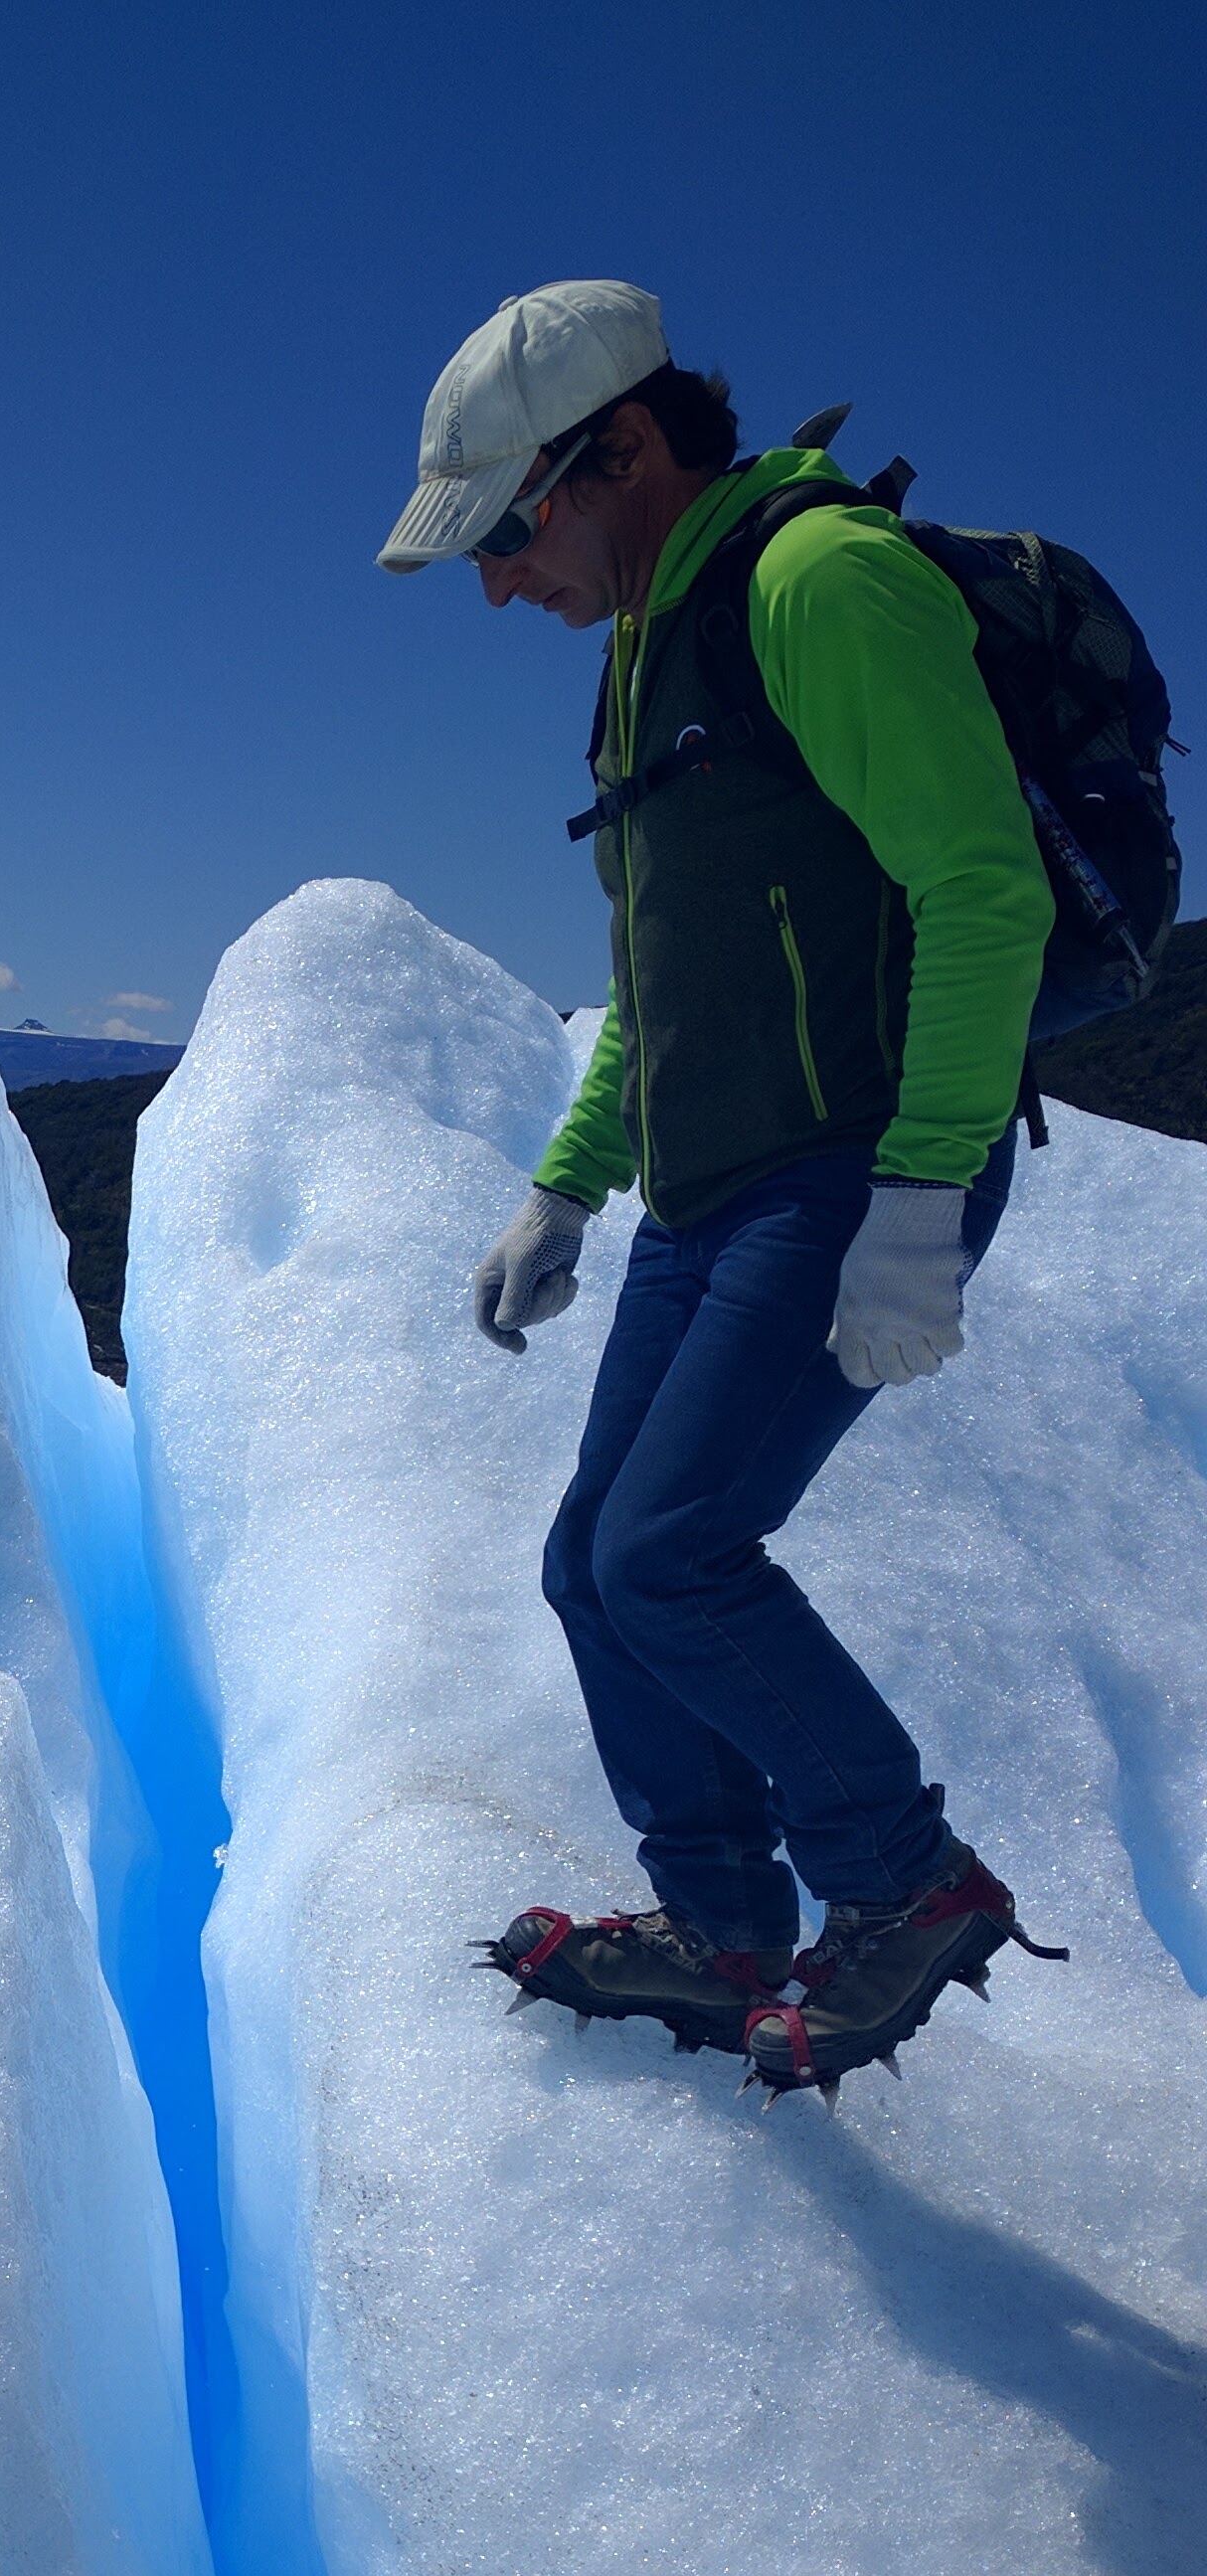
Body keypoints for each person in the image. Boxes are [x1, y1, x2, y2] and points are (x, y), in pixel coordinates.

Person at [380, 281, 1064, 2092]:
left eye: (510, 531)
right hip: (712, 1188)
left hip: (849, 1172)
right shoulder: (651, 644)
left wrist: (921, 1202)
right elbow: (663, 976)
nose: (500, 584)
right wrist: (572, 1188)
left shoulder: (812, 583)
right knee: (594, 1567)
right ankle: (724, 1930)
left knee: (672, 1556)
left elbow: (985, 893)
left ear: (621, 451)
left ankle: (904, 1888)